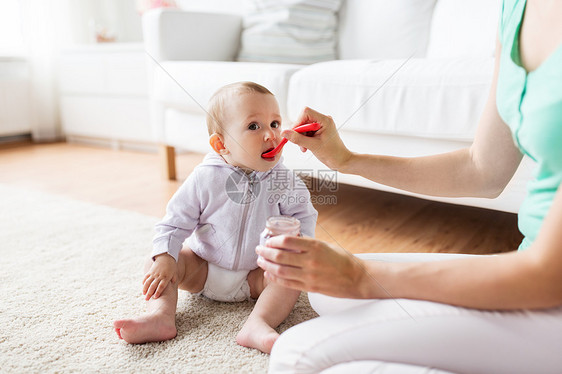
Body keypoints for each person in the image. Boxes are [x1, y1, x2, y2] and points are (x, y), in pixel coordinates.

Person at [256, 0, 562, 372]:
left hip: (549, 287)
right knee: (325, 290)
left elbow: (549, 275)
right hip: (531, 263)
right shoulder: (515, 9)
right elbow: (482, 169)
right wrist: (347, 161)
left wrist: (358, 277)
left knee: (296, 354)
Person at [114, 81, 318, 354]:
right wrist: (164, 256)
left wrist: (298, 247)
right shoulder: (204, 177)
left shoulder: (284, 180)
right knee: (159, 260)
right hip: (202, 268)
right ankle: (160, 316)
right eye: (254, 126)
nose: (270, 135)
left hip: (256, 275)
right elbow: (174, 222)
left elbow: (303, 217)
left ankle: (258, 323)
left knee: (290, 276)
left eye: (275, 123)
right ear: (221, 144)